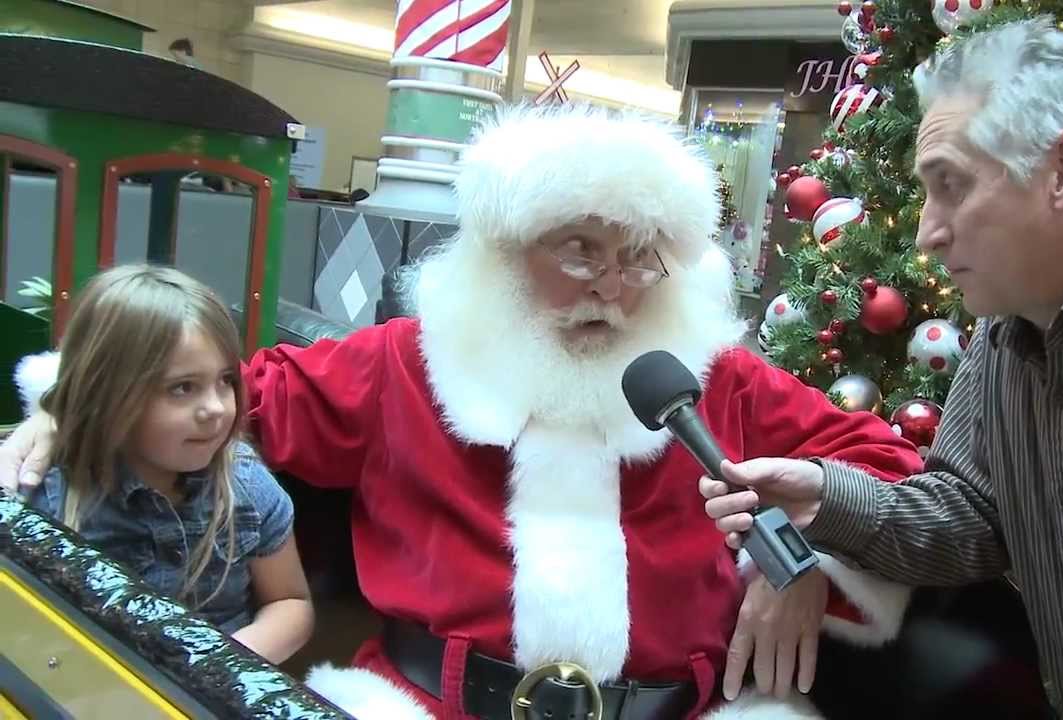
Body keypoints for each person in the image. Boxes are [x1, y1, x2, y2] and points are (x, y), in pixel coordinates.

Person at [3, 105, 925, 719]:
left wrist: (803, 561)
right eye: (579, 248)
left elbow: (884, 465)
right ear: (506, 249)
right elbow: (226, 393)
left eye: (643, 255)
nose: (613, 284)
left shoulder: (720, 379)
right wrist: (68, 409)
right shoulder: (404, 364)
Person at [700, 18, 1063, 719]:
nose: (927, 231)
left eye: (951, 186)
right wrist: (824, 497)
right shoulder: (1013, 325)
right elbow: (970, 522)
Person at [12, 264, 314, 665]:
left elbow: (291, 602)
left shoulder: (247, 485)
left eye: (225, 380)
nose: (215, 408)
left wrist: (219, 669)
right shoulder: (43, 498)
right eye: (182, 388)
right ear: (107, 394)